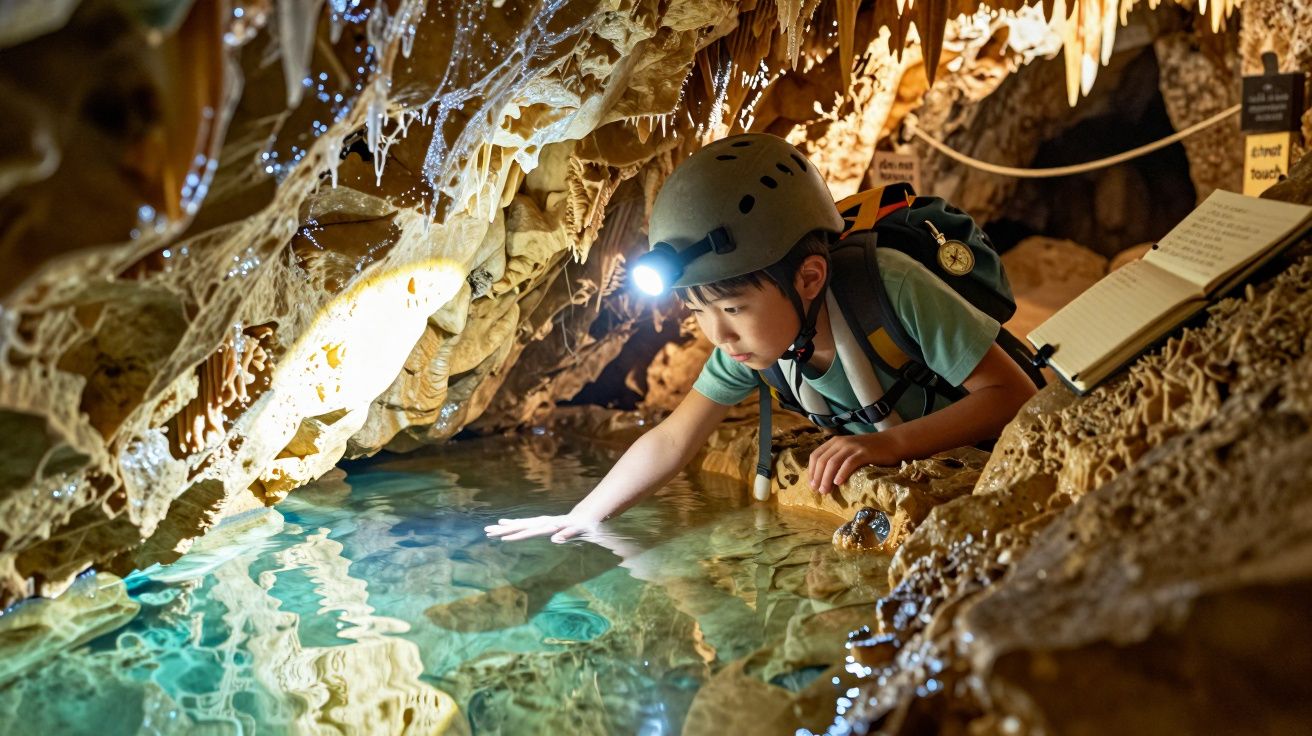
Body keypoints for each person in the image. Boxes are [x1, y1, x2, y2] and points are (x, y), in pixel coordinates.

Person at [486, 134, 1038, 544]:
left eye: (732, 307)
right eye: (697, 310)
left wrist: (885, 445)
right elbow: (675, 440)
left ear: (809, 278)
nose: (718, 333)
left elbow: (1012, 396)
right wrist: (586, 512)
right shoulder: (755, 344)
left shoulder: (889, 287)